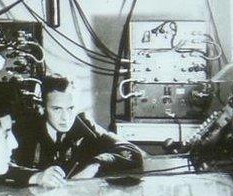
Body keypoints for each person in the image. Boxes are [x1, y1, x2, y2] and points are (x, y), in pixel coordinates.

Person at [13, 73, 144, 186]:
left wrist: (96, 165)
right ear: (42, 108)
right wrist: (37, 177)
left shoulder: (83, 125)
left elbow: (132, 153)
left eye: (70, 108)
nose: (65, 117)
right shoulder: (26, 128)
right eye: (57, 109)